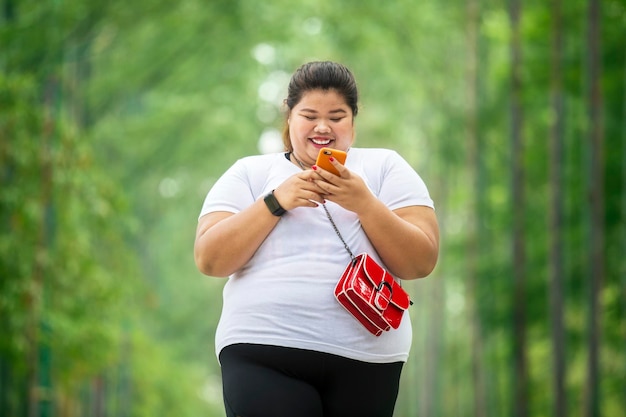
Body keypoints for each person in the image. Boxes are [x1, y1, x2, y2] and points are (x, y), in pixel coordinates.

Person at [194, 61, 439, 417]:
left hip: (368, 359)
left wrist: (364, 203)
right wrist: (276, 201)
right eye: (309, 115)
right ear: (289, 117)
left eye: (337, 116)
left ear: (353, 122)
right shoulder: (251, 172)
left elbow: (421, 261)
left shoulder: (386, 167)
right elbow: (210, 259)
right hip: (264, 348)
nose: (322, 127)